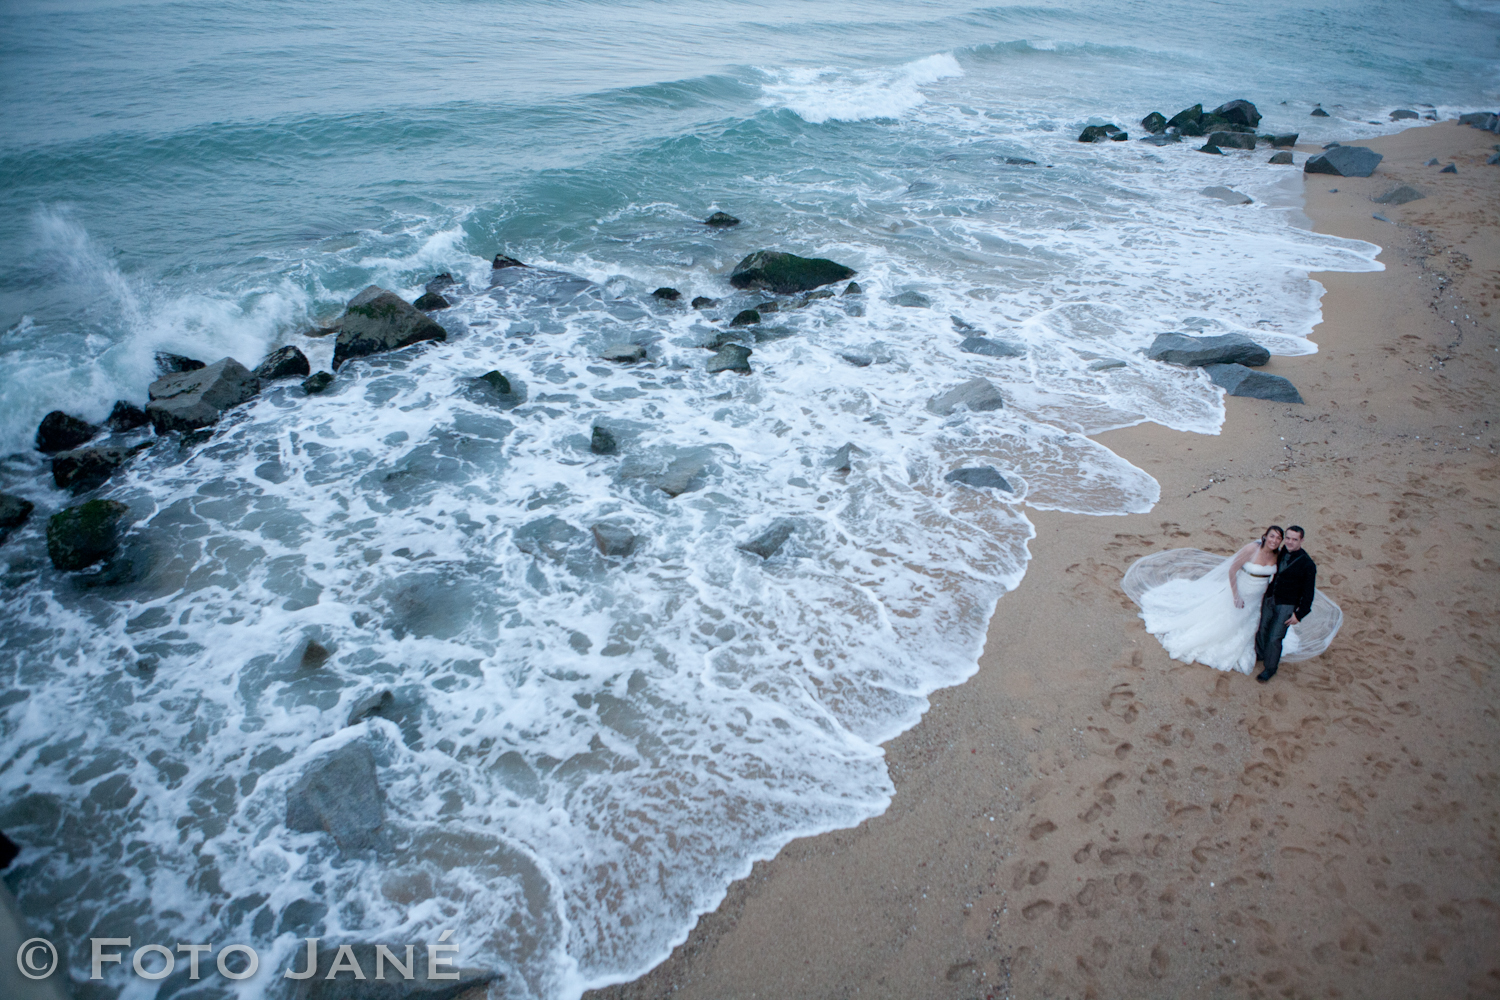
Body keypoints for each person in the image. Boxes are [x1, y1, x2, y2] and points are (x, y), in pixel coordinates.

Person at [1138, 527, 1289, 675]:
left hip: (1257, 600)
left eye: (1278, 538)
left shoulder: (1278, 555)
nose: (1274, 540)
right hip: (1240, 592)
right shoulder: (1252, 549)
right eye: (1272, 536)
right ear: (1265, 536)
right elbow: (1232, 569)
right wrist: (1236, 595)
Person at [1255, 525, 1316, 683]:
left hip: (1287, 606)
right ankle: (1259, 654)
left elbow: (1308, 593)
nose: (1289, 542)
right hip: (1270, 598)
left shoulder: (1308, 564)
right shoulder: (1281, 551)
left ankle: (1270, 668)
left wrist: (1299, 614)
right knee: (1262, 629)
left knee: (1275, 637)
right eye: (1287, 538)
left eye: (1294, 539)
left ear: (1301, 540)